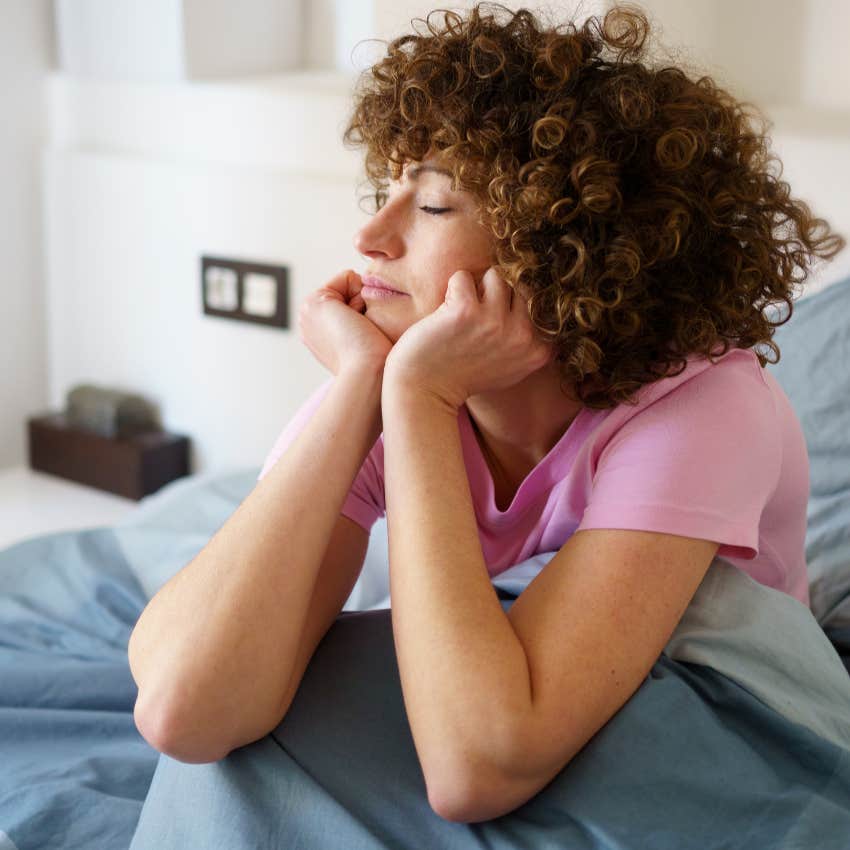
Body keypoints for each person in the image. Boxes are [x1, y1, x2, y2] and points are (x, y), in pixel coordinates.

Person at [128, 1, 845, 824]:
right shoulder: (397, 373)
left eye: (431, 206)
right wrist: (365, 383)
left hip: (718, 700)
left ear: (567, 240)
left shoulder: (704, 407)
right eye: (383, 189)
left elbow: (475, 772)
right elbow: (181, 708)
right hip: (499, 678)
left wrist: (419, 400)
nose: (370, 237)